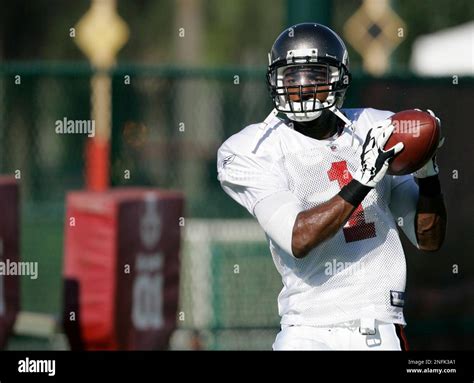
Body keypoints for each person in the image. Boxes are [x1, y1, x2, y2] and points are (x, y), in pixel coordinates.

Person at [217, 23, 447, 350]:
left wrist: (427, 171)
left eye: (315, 75)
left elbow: (428, 238)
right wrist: (363, 180)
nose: (304, 88)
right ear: (275, 80)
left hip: (377, 326)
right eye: (292, 77)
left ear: (338, 79)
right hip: (306, 328)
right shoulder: (253, 148)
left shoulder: (375, 126)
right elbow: (297, 237)